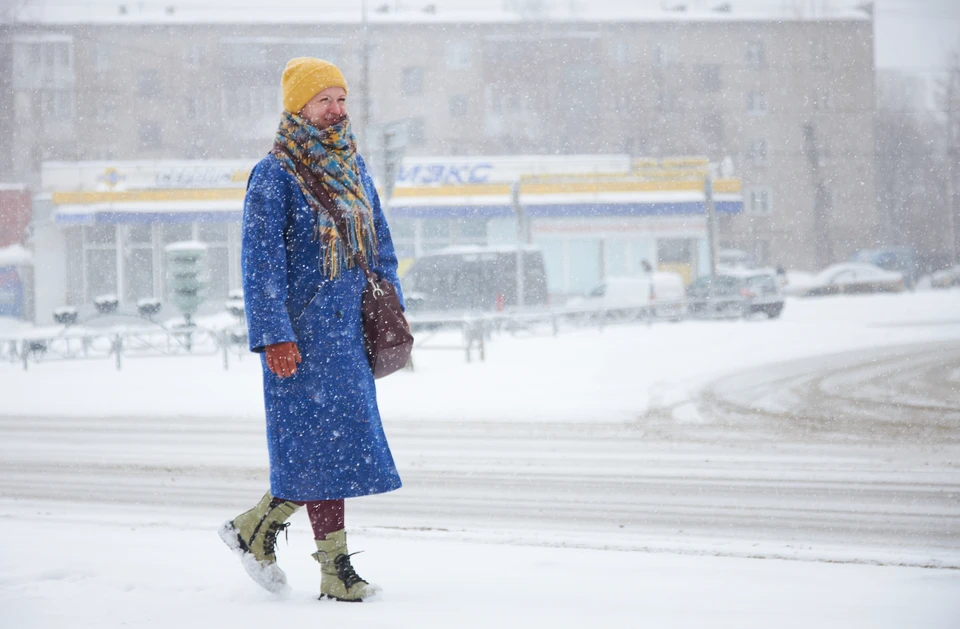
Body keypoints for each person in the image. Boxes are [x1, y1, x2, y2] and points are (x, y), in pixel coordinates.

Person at [219, 57, 405, 602]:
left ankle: (256, 528)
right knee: (317, 449)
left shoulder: (354, 166)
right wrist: (274, 333)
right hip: (300, 339)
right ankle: (334, 569)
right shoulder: (274, 173)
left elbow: (381, 244)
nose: (336, 110)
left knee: (336, 449)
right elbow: (260, 263)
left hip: (349, 334)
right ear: (298, 105)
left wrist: (389, 302)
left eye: (342, 99)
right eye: (324, 99)